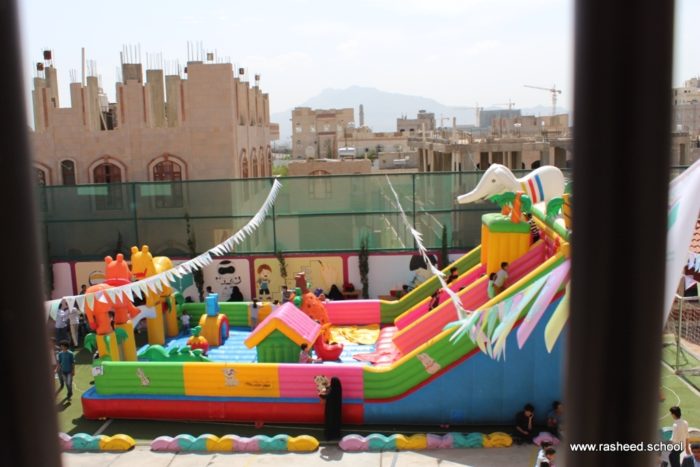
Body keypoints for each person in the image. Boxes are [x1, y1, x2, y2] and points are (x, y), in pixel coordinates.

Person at [319, 376, 343, 440]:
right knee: (336, 421)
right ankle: (336, 434)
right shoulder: (338, 389)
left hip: (330, 409)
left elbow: (324, 396)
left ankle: (329, 435)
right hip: (337, 409)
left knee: (330, 421)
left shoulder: (331, 390)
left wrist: (321, 390)